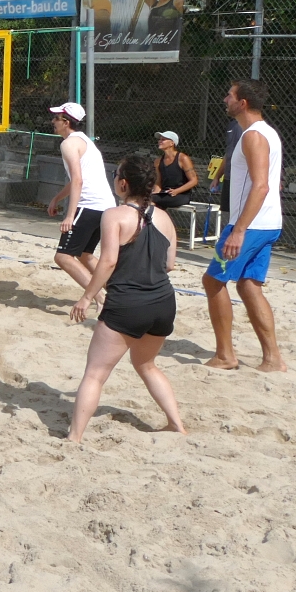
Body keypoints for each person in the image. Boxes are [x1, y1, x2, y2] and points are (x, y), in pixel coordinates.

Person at [66, 154, 186, 442]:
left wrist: (87, 297)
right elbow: (170, 264)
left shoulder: (114, 215)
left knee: (95, 373)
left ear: (123, 183)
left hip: (128, 303)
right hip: (163, 302)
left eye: (116, 175)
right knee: (146, 365)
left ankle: (74, 437)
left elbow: (108, 261)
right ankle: (177, 425)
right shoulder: (165, 217)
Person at [204, 79, 286, 372]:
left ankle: (225, 355)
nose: (225, 99)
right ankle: (272, 359)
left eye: (230, 95)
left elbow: (261, 186)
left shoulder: (254, 135)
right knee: (249, 285)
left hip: (252, 225)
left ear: (243, 103)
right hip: (267, 222)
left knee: (213, 281)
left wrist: (238, 230)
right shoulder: (265, 133)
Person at [45, 101, 116, 294]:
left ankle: (100, 298)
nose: (53, 121)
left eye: (56, 118)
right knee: (85, 254)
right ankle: (119, 294)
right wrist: (57, 198)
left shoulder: (68, 144)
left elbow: (78, 180)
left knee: (63, 257)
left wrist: (70, 216)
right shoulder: (85, 141)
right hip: (106, 206)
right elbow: (79, 179)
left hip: (89, 205)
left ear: (66, 122)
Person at [152, 131, 198, 210]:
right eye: (160, 139)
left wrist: (176, 191)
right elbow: (158, 183)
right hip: (165, 194)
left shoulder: (183, 158)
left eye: (163, 139)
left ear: (172, 143)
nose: (160, 141)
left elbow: (194, 181)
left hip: (181, 195)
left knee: (150, 200)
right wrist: (155, 193)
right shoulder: (158, 161)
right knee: (146, 199)